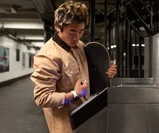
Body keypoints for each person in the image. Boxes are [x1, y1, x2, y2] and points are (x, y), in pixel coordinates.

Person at [30, 1, 117, 133]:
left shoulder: (79, 46)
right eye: (72, 32)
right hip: (66, 126)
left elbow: (85, 74)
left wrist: (105, 72)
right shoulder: (47, 57)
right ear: (58, 27)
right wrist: (74, 94)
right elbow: (42, 98)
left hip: (87, 119)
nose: (76, 37)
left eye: (81, 31)